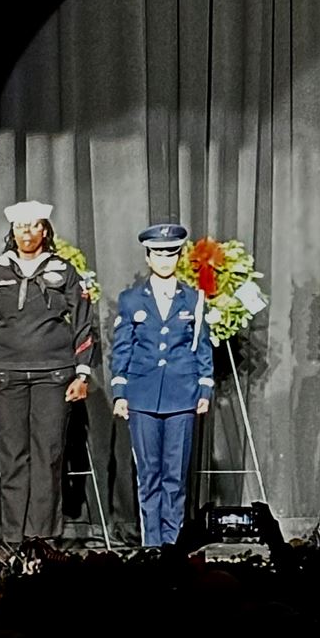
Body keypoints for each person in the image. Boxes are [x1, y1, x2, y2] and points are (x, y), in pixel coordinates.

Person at [0, 198, 95, 546]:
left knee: (49, 457)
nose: (27, 232)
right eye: (20, 226)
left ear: (45, 230)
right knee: (12, 458)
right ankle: (13, 539)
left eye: (34, 225)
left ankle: (43, 538)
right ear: (12, 231)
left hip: (54, 376)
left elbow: (84, 324)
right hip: (4, 377)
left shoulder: (64, 271)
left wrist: (82, 374)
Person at [109, 222, 214, 546]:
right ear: (148, 257)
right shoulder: (130, 300)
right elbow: (122, 347)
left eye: (171, 254)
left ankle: (173, 547)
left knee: (175, 477)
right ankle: (151, 546)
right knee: (149, 475)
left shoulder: (194, 299)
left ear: (179, 257)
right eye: (159, 254)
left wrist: (205, 387)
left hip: (182, 395)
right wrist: (120, 392)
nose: (165, 260)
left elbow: (202, 346)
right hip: (142, 396)